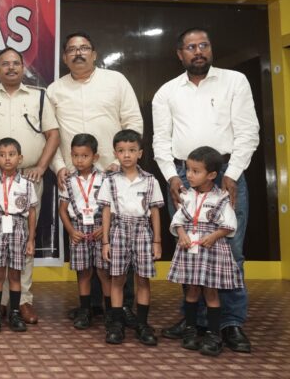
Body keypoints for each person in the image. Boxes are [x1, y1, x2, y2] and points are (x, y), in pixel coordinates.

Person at [153, 27, 259, 353]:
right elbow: (161, 141)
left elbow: (248, 132)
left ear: (211, 49)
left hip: (227, 174)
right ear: (179, 54)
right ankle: (195, 320)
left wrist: (233, 173)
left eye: (204, 45)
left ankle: (230, 323)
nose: (198, 51)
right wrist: (172, 177)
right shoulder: (166, 92)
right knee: (190, 250)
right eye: (191, 47)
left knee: (230, 251)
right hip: (183, 177)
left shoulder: (234, 81)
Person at [47, 32, 143, 324]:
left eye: (84, 48)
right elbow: (50, 134)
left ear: (94, 53)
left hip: (114, 173)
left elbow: (133, 122)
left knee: (117, 239)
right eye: (72, 49)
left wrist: (118, 162)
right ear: (64, 57)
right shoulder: (54, 90)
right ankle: (91, 307)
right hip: (75, 177)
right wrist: (59, 166)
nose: (78, 53)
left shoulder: (116, 81)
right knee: (86, 243)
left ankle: (122, 306)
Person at [0, 47, 60, 324]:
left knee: (23, 240)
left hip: (27, 178)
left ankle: (23, 300)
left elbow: (53, 134)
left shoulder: (39, 97)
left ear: (23, 67)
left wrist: (41, 167)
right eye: (4, 64)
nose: (11, 68)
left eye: (16, 63)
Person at [166, 146, 243, 356]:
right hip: (190, 247)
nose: (189, 175)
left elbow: (229, 224)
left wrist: (215, 236)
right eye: (188, 169)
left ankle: (213, 334)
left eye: (195, 171)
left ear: (211, 175)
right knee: (191, 289)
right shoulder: (186, 195)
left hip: (211, 249)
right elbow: (178, 220)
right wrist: (181, 233)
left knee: (211, 291)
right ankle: (191, 329)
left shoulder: (222, 197)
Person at [97, 129, 164, 346]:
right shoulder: (110, 181)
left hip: (143, 230)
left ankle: (142, 324)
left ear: (140, 153)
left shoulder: (150, 181)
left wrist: (157, 241)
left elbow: (155, 211)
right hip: (118, 230)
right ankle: (116, 324)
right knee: (117, 278)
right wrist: (105, 241)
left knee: (143, 279)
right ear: (115, 153)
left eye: (132, 150)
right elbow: (106, 212)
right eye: (121, 151)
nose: (127, 155)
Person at [0, 137, 37, 333]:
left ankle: (15, 313)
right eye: (2, 155)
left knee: (15, 274)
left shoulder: (27, 184)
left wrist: (31, 239)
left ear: (20, 158)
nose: (7, 159)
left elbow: (32, 212)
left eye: (12, 155)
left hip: (19, 229)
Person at [58, 133, 110, 330]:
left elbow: (112, 208)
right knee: (83, 272)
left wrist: (104, 229)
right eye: (75, 155)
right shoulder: (68, 181)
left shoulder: (105, 178)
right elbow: (62, 210)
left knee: (104, 271)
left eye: (85, 156)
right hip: (78, 228)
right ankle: (85, 310)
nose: (79, 160)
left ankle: (110, 312)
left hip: (100, 227)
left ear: (95, 157)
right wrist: (71, 231)